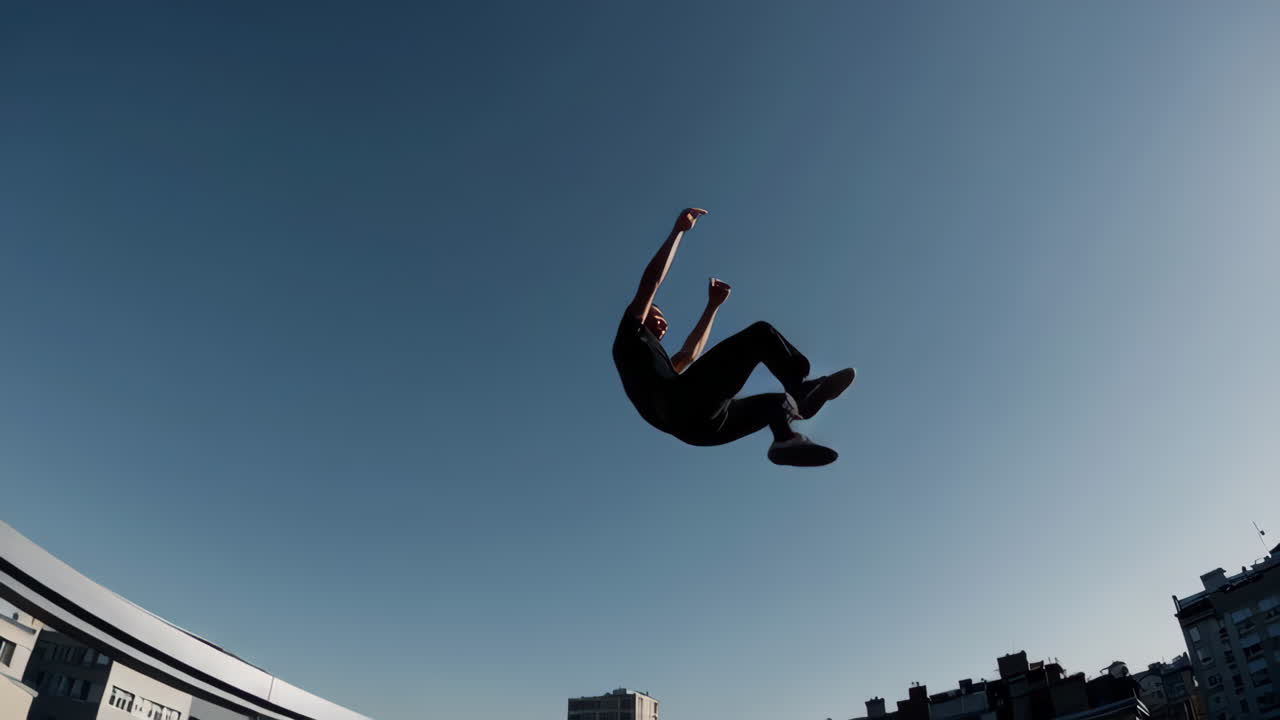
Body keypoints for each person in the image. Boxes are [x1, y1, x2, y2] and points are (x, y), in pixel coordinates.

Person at [612, 208, 855, 467]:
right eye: (656, 315)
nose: (664, 323)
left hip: (701, 429)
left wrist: (712, 306)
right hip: (679, 407)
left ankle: (785, 439)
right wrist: (678, 232)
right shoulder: (630, 334)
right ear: (640, 312)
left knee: (778, 404)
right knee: (760, 335)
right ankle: (801, 388)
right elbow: (651, 283)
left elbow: (688, 355)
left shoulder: (655, 364)